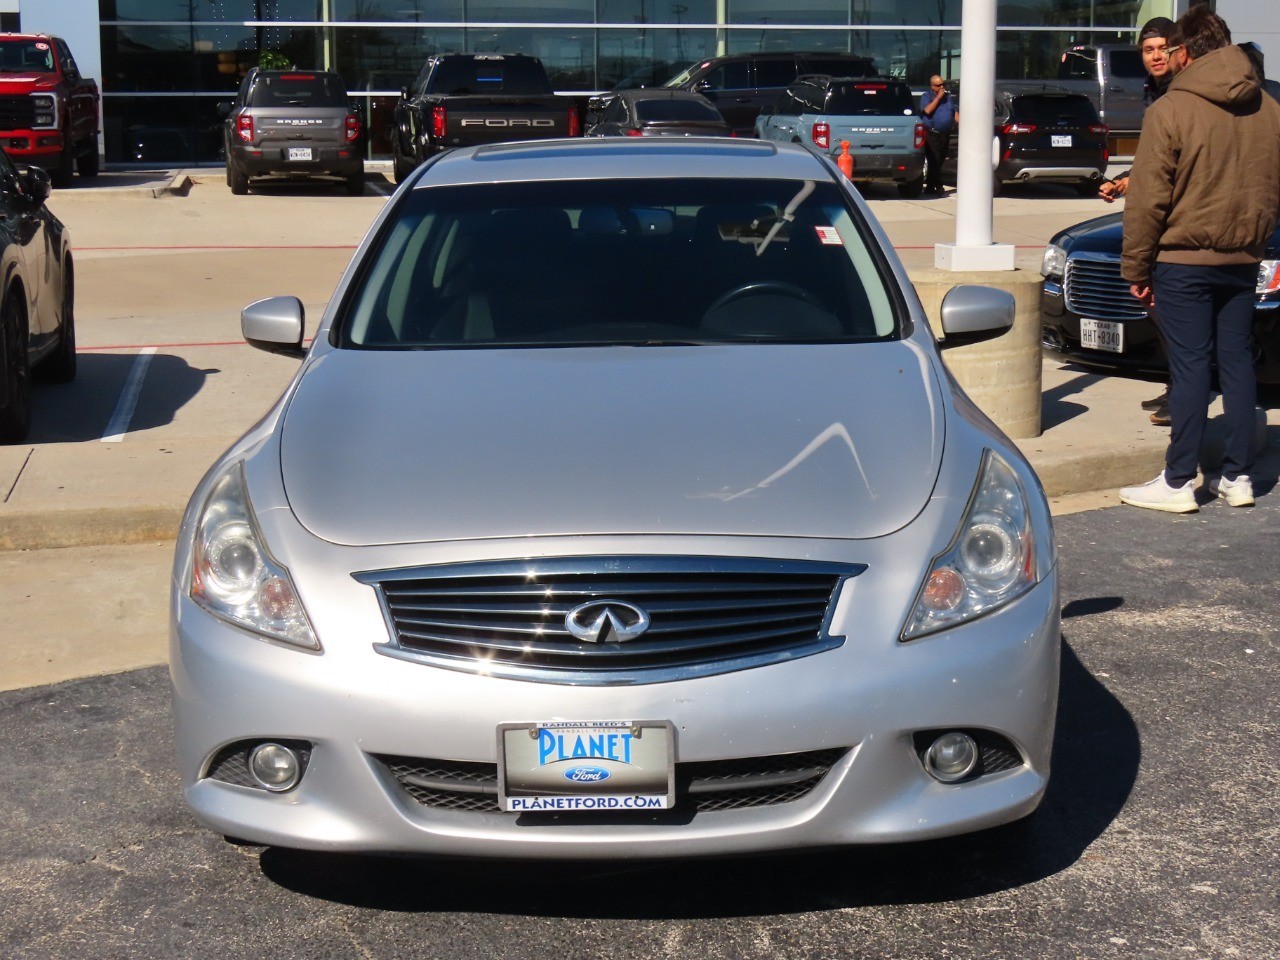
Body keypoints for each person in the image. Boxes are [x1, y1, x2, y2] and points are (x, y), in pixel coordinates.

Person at [1118, 7, 1280, 513]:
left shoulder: (1170, 109)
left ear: (1185, 52)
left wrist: (1135, 268)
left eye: (1171, 50)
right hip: (1243, 256)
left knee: (1189, 368)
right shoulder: (1270, 108)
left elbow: (1147, 200)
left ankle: (1179, 479)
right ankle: (1238, 477)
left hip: (1183, 258)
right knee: (1235, 361)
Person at [1098, 16, 1176, 425]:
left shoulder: (1181, 93)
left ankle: (1181, 397)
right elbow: (1155, 161)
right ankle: (1174, 389)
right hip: (1156, 216)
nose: (1156, 56)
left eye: (1163, 47)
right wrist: (1126, 181)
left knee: (1170, 312)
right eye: (1149, 50)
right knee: (1156, 308)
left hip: (1178, 222)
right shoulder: (1154, 92)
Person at [919, 75, 956, 195]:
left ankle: (932, 184)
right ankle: (936, 185)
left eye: (942, 84)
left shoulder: (948, 97)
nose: (942, 87)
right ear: (932, 86)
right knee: (934, 159)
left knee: (940, 159)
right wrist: (938, 98)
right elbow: (927, 110)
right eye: (938, 85)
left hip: (945, 133)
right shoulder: (927, 96)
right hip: (932, 133)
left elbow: (953, 112)